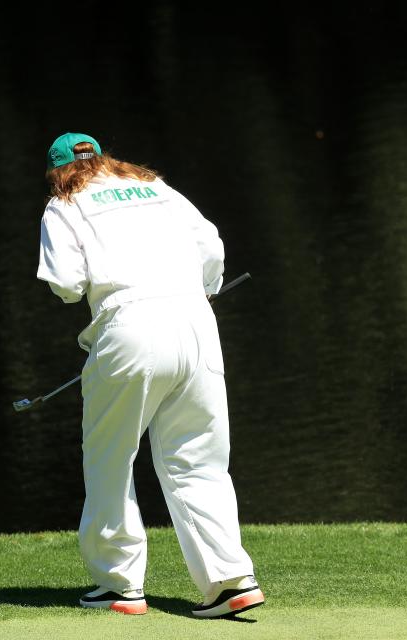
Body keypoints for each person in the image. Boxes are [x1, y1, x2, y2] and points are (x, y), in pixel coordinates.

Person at [37, 133, 263, 617]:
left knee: (110, 458)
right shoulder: (157, 187)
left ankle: (121, 586)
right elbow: (212, 247)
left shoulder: (64, 204)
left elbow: (67, 284)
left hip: (128, 325)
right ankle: (229, 579)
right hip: (197, 321)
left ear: (58, 171)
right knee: (199, 459)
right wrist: (204, 288)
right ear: (104, 159)